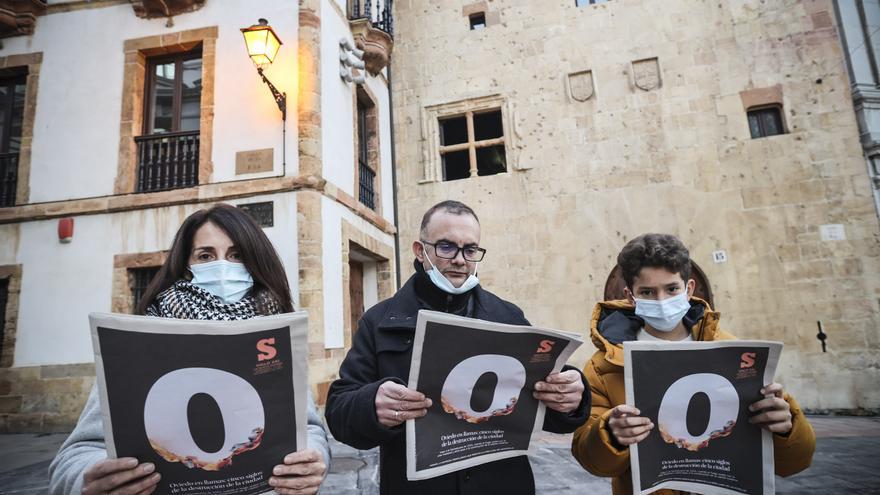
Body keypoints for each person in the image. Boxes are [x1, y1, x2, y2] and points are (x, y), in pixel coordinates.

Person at [49, 204, 329, 495]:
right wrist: (87, 479)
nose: (223, 266)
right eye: (206, 255)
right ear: (186, 265)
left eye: (237, 255)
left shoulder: (274, 333)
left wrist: (314, 462)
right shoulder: (144, 338)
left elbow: (308, 429)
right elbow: (76, 455)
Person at [324, 200, 590, 494]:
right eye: (447, 247)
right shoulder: (379, 321)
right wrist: (372, 404)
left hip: (502, 484)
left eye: (470, 249)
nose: (461, 259)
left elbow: (544, 405)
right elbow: (339, 410)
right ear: (420, 251)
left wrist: (571, 395)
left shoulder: (509, 317)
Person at [570, 233, 816, 495]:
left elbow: (794, 462)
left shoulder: (734, 353)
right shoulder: (604, 366)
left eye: (671, 289)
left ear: (688, 288)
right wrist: (610, 434)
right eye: (648, 292)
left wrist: (786, 427)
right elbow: (591, 460)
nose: (662, 301)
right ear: (631, 296)